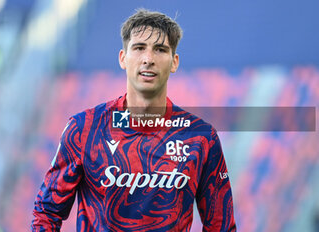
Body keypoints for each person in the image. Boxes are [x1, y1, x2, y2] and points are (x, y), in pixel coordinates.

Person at [32, 9, 236, 232]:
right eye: (139, 48)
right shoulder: (84, 129)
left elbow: (221, 226)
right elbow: (47, 211)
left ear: (174, 62)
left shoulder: (200, 138)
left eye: (160, 50)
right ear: (123, 58)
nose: (148, 59)